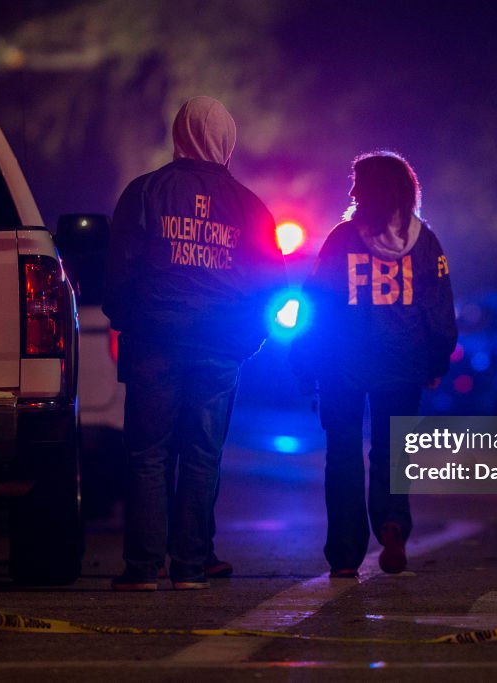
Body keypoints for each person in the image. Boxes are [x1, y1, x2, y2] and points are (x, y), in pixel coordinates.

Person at [103, 96, 286, 591]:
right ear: (227, 141)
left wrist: (130, 322)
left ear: (179, 134)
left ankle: (142, 569)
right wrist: (249, 339)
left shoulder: (145, 192)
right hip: (220, 346)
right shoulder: (249, 205)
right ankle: (189, 567)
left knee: (148, 454)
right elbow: (273, 283)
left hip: (155, 341)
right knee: (203, 454)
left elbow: (118, 271)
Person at [291, 151, 457, 578]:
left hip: (342, 363)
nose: (350, 191)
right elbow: (439, 312)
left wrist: (304, 361)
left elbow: (316, 304)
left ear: (369, 192)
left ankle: (345, 553)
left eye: (357, 183)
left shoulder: (341, 240)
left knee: (343, 452)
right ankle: (392, 523)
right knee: (391, 451)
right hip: (403, 363)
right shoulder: (426, 243)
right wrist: (435, 360)